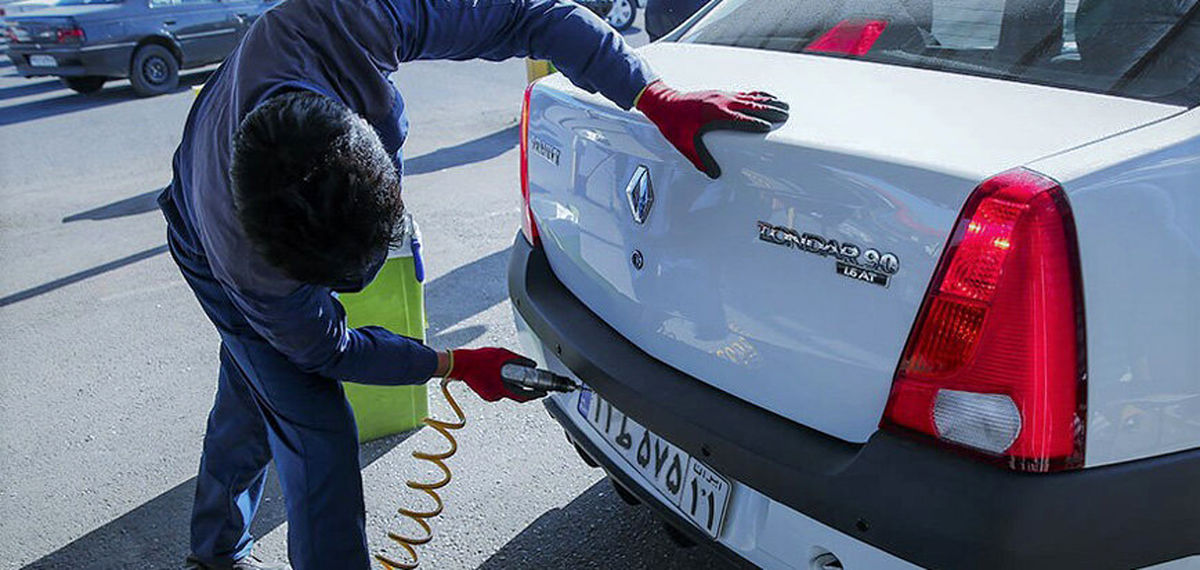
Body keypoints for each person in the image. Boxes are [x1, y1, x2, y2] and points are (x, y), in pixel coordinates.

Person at [158, 0, 788, 568]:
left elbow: (533, 14)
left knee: (253, 380)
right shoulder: (251, 267)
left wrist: (651, 96)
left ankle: (212, 550)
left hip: (249, 190)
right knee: (315, 427)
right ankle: (224, 551)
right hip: (198, 231)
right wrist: (453, 362)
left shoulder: (350, 19)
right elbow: (332, 350)